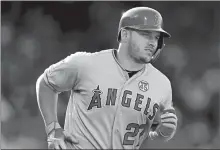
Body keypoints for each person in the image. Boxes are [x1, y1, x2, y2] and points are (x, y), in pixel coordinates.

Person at [36, 6, 178, 149]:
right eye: (146, 35)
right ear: (125, 34)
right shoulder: (85, 64)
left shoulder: (162, 84)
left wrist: (163, 133)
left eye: (156, 37)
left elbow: (150, 136)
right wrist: (53, 128)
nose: (152, 43)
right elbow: (47, 83)